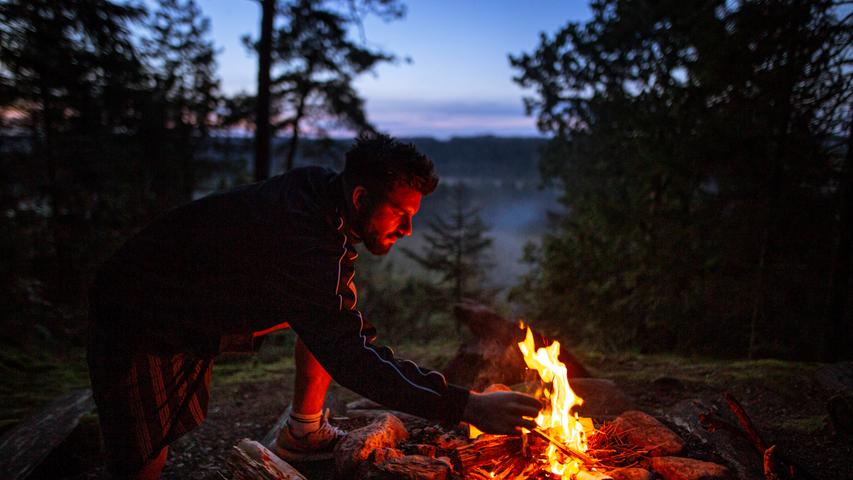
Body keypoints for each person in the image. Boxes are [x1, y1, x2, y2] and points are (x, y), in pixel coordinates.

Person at [87, 134, 542, 479]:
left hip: (198, 307)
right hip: (141, 313)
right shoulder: (303, 233)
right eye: (401, 214)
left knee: (335, 317)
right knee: (143, 457)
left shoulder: (324, 203)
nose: (407, 230)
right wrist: (465, 406)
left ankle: (304, 432)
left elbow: (338, 326)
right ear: (362, 197)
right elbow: (349, 357)